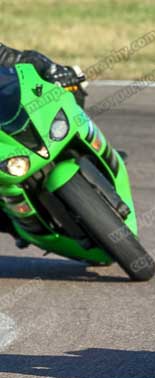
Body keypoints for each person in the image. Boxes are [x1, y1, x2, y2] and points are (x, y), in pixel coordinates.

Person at [0, 44, 85, 245]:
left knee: (67, 85)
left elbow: (15, 58)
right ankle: (18, 226)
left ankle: (85, 144)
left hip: (10, 115)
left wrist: (52, 70)